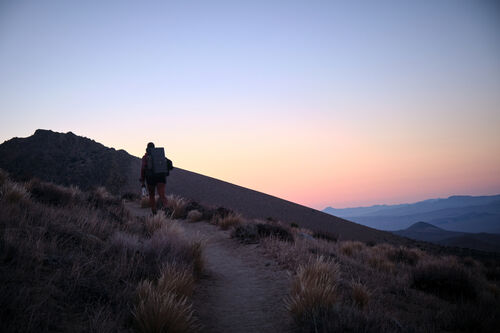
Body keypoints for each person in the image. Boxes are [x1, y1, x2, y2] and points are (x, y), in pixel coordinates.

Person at [140, 142, 169, 215]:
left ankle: (154, 212)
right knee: (162, 195)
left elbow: (143, 169)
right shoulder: (160, 155)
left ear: (147, 148)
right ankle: (167, 209)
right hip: (161, 177)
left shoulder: (145, 157)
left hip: (151, 178)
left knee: (152, 195)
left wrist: (142, 180)